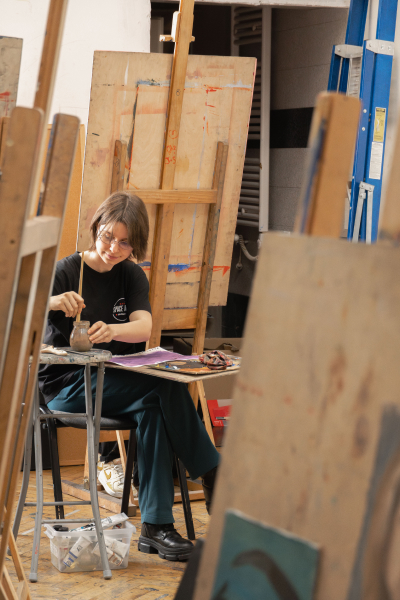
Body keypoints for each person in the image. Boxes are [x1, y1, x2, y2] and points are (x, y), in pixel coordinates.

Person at [38, 191, 220, 561]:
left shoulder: (131, 275)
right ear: (96, 228)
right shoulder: (66, 271)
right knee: (161, 388)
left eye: (125, 242)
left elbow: (144, 326)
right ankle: (214, 472)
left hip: (116, 382)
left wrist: (113, 330)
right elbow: (19, 306)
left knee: (153, 408)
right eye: (108, 237)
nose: (114, 248)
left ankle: (157, 527)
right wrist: (53, 301)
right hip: (66, 386)